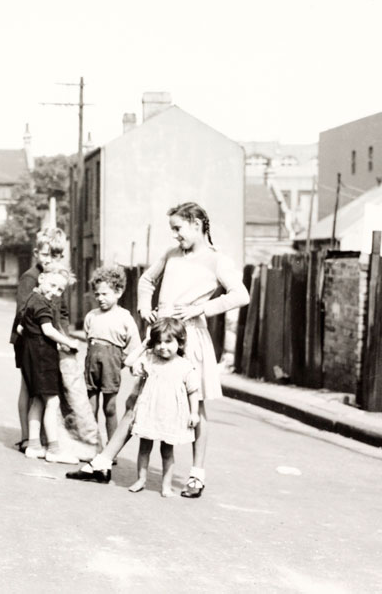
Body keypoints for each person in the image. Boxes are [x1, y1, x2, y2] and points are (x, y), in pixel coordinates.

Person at [67, 201, 249, 499]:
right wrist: (143, 306)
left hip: (189, 338)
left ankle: (196, 476)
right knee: (136, 399)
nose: (175, 235)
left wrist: (199, 309)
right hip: (160, 335)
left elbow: (241, 295)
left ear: (196, 222)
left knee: (196, 404)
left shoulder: (217, 260)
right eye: (172, 229)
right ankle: (101, 464)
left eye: (178, 228)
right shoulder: (171, 254)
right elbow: (146, 280)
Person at [126, 318, 199, 497]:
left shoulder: (184, 366)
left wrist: (194, 413)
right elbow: (129, 362)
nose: (162, 346)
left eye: (168, 341)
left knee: (167, 451)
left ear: (180, 343)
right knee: (144, 447)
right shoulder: (150, 359)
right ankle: (141, 479)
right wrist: (144, 346)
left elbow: (193, 391)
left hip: (171, 416)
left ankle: (166, 486)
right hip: (149, 411)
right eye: (158, 342)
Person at [10, 228, 67, 453]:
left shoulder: (58, 278)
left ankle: (40, 436)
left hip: (47, 338)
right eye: (45, 255)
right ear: (36, 253)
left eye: (55, 256)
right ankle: (27, 437)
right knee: (29, 387)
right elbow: (23, 311)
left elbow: (62, 311)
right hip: (28, 339)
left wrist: (65, 335)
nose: (49, 260)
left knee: (42, 388)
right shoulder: (31, 277)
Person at [20, 262, 82, 463]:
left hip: (31, 354)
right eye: (53, 285)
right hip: (42, 356)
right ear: (41, 279)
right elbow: (48, 330)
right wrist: (69, 342)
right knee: (52, 401)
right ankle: (54, 450)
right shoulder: (42, 304)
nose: (55, 292)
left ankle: (34, 444)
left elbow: (21, 328)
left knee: (38, 400)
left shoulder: (32, 299)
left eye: (60, 289)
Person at [83, 265, 141, 448]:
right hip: (92, 365)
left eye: (105, 294)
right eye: (97, 294)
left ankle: (111, 447)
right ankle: (91, 443)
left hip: (111, 367)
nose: (100, 298)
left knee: (109, 408)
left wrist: (122, 363)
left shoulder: (125, 318)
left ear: (118, 292)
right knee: (90, 407)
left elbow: (134, 347)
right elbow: (88, 340)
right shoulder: (91, 316)